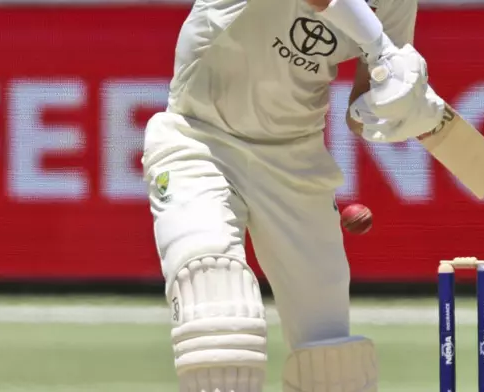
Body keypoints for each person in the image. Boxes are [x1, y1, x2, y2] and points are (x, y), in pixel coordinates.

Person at [141, 0, 445, 390]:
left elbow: (362, 106)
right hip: (200, 139)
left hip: (297, 160)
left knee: (334, 365)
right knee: (219, 320)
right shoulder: (375, 28)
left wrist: (397, 106)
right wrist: (380, 44)